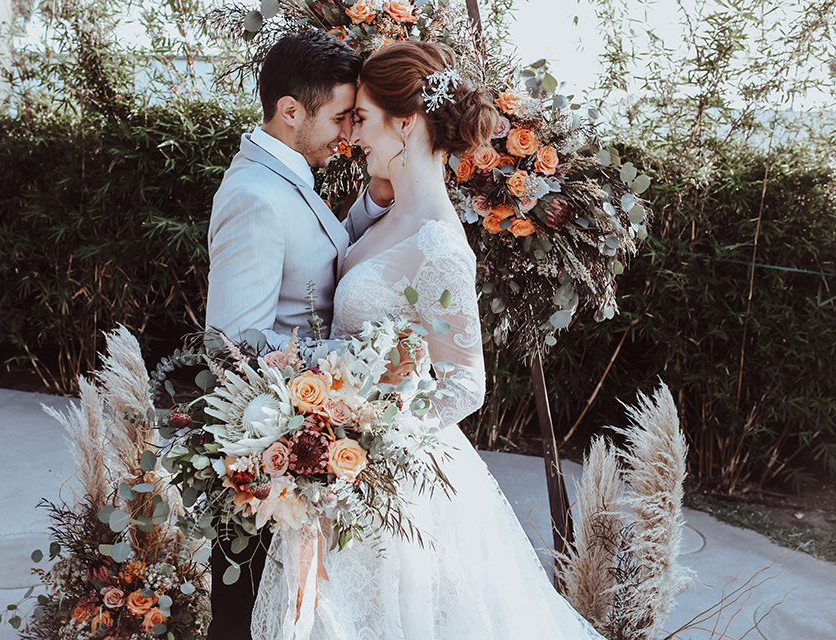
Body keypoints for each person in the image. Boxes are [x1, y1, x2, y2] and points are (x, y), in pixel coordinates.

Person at [249, 41, 608, 639]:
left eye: (362, 119)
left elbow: (467, 384)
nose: (352, 135)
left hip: (392, 481)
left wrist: (368, 432)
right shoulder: (386, 217)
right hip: (343, 468)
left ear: (407, 123)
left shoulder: (440, 246)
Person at [204, 30, 395, 640]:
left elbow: (311, 254)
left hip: (298, 446)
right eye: (340, 117)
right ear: (291, 111)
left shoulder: (281, 174)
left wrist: (371, 205)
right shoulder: (255, 196)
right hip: (267, 459)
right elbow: (234, 344)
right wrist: (350, 367)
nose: (347, 133)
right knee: (249, 617)